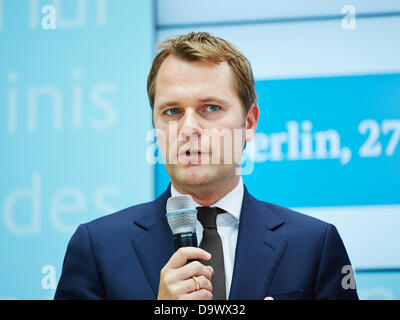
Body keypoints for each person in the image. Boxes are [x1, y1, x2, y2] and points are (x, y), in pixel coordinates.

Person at [54, 32, 358, 300]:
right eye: (172, 111)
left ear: (249, 122)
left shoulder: (314, 245)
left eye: (210, 108)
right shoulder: (97, 247)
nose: (188, 128)